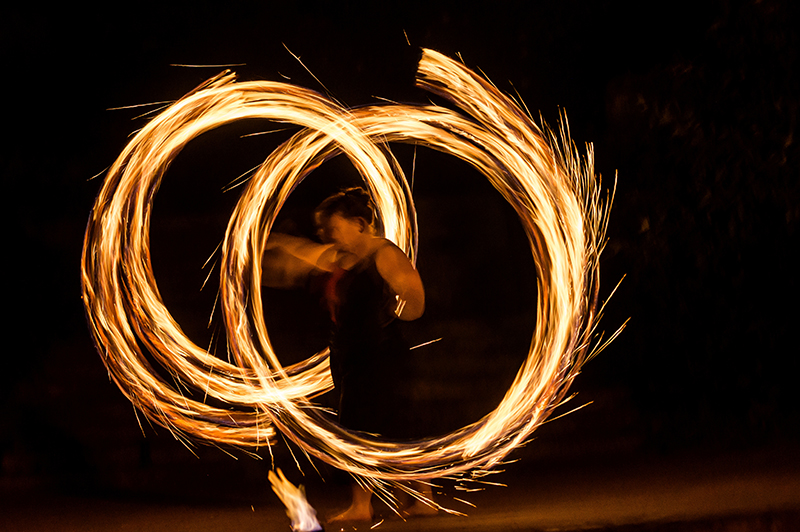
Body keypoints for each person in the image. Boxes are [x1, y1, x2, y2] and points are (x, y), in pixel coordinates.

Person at [262, 187, 435, 522]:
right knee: (393, 426)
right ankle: (422, 497)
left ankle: (362, 505)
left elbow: (416, 301)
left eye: (332, 226)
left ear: (359, 223)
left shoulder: (383, 254)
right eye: (323, 228)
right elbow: (300, 257)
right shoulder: (341, 257)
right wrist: (274, 246)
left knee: (362, 428)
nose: (325, 233)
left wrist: (387, 318)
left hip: (377, 354)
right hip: (350, 353)